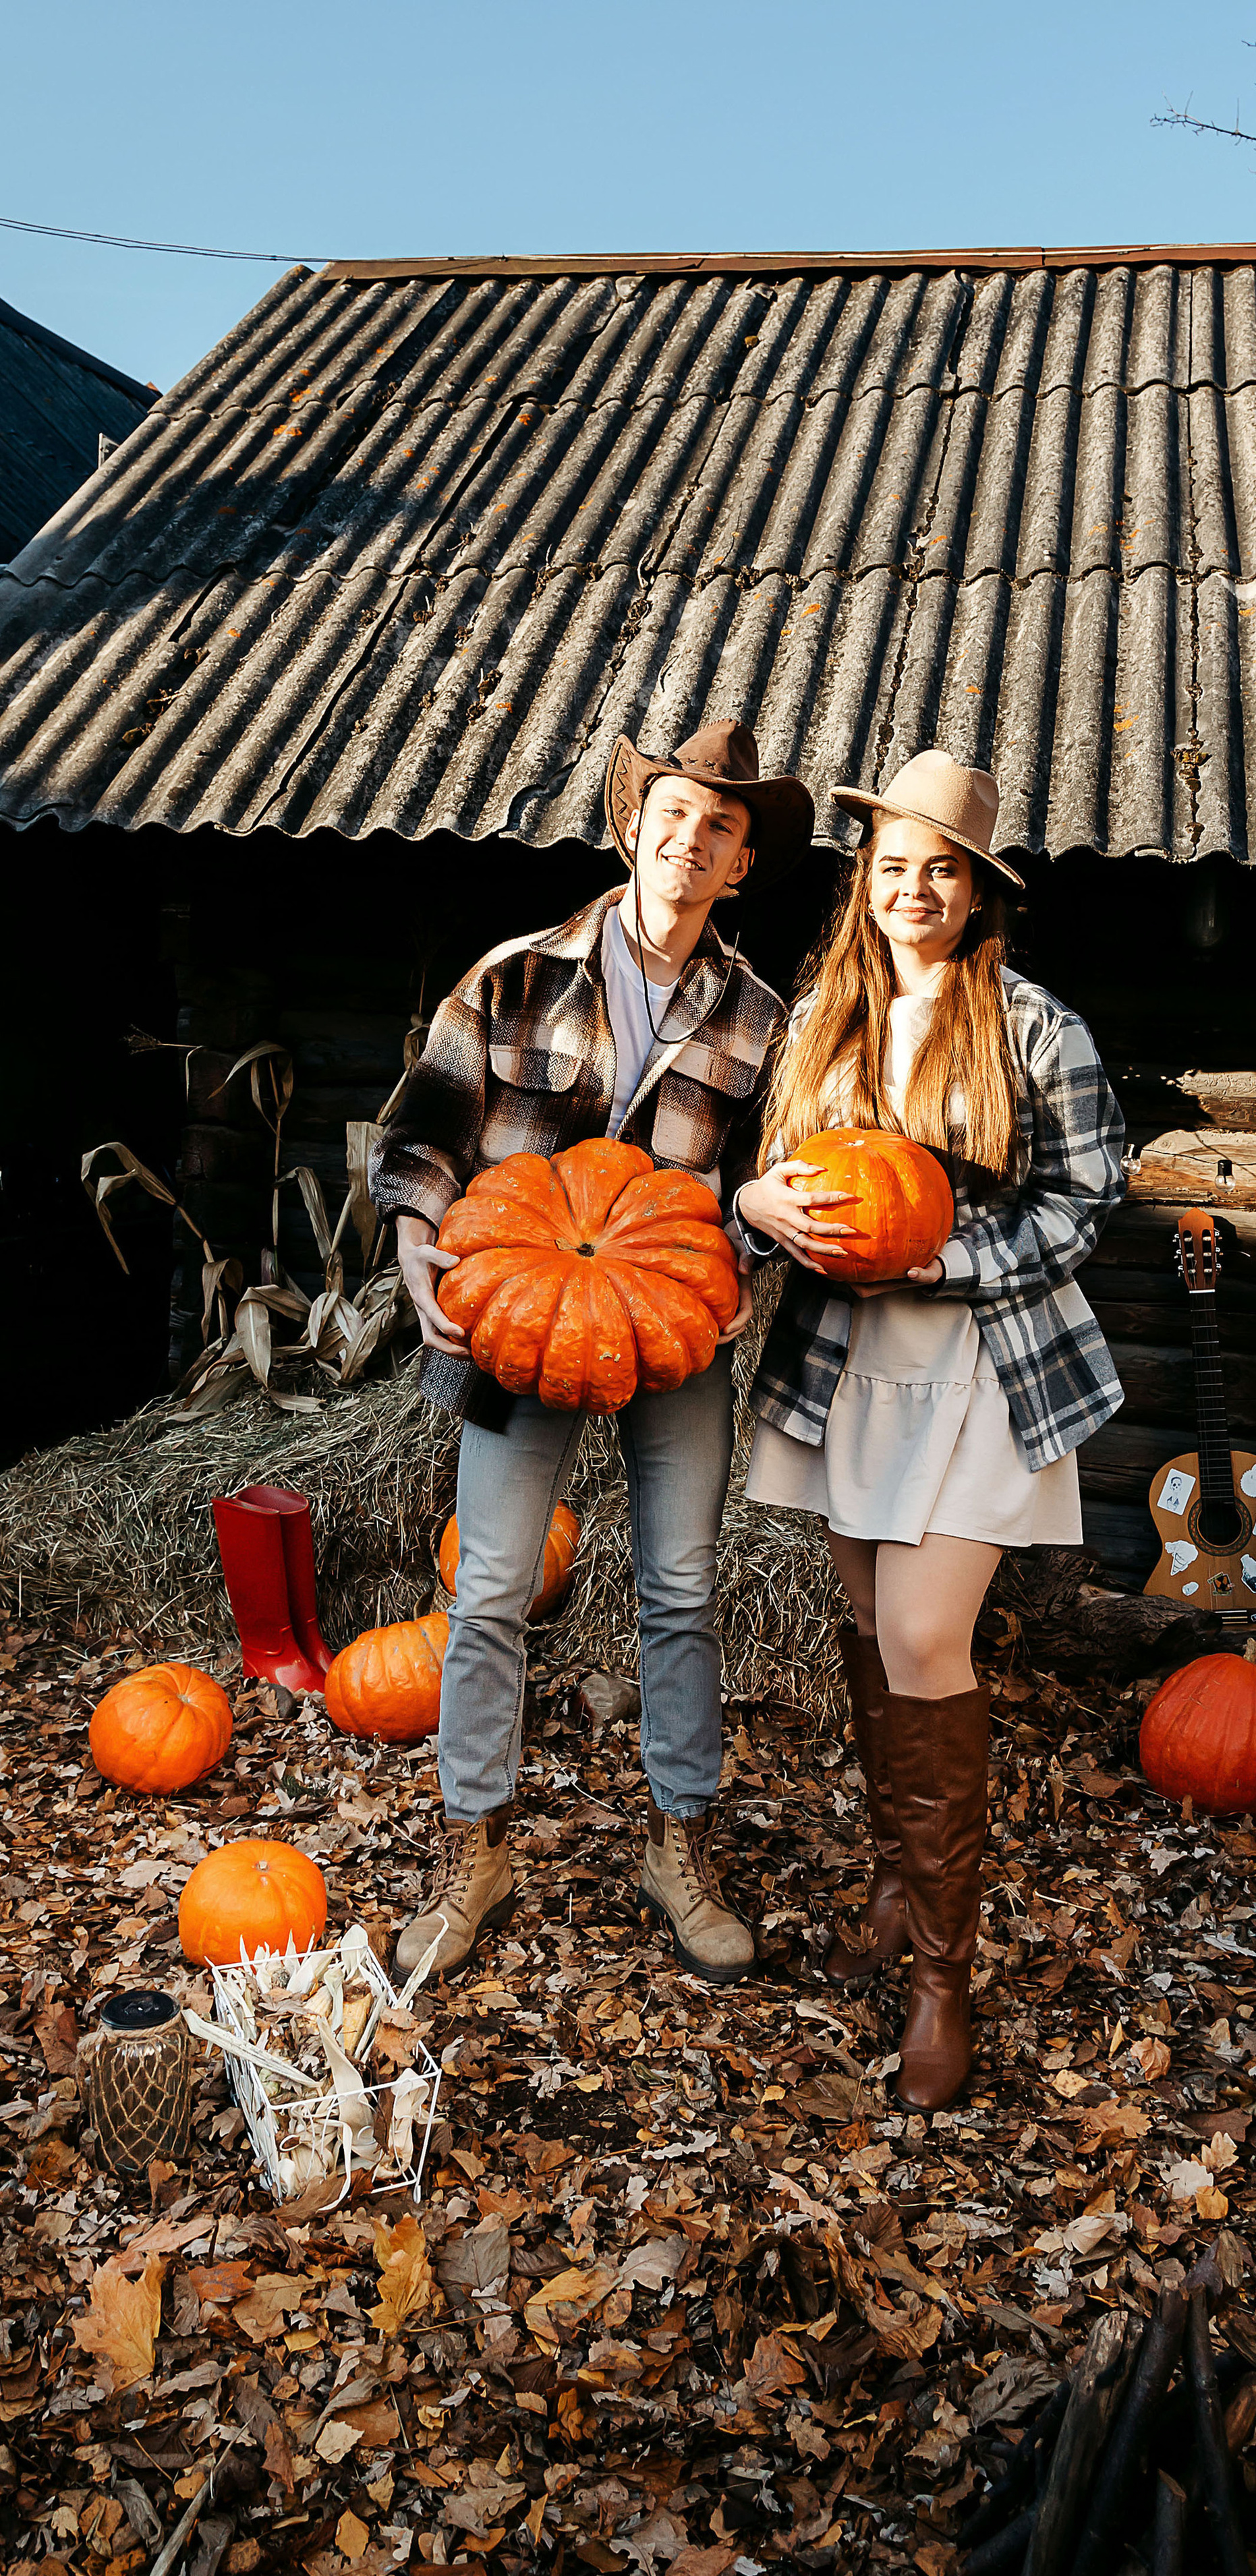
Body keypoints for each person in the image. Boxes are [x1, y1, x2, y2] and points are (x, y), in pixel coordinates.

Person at [370, 722, 812, 1986]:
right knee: (490, 1589)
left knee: (679, 1588)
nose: (692, 839)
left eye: (721, 827)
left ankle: (679, 1847)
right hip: (521, 1322)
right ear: (633, 825)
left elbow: (766, 1182)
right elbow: (423, 1132)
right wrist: (415, 1245)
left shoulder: (761, 1019)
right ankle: (475, 1852)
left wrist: (746, 1253)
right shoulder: (515, 977)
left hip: (674, 1327)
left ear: (741, 865)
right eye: (674, 813)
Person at [735, 749, 1125, 2111]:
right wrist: (757, 1210)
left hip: (981, 1363)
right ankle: (900, 1882)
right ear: (866, 882)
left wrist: (941, 1257)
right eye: (892, 867)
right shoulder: (820, 1017)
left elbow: (1083, 1206)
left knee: (919, 1635)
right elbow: (777, 1174)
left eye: (939, 871)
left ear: (974, 893)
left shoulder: (1034, 1028)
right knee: (864, 1623)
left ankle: (941, 1981)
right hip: (844, 1362)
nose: (913, 889)